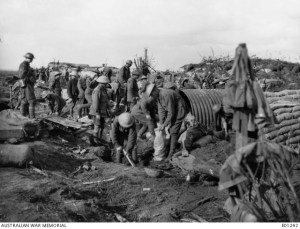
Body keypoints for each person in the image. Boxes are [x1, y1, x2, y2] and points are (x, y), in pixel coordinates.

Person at [148, 83, 188, 162]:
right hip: (174, 112)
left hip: (179, 111)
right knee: (170, 130)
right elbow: (161, 111)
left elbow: (171, 112)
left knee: (173, 131)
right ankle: (173, 145)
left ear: (155, 90)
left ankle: (171, 154)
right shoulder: (158, 96)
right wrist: (161, 124)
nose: (152, 96)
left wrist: (164, 125)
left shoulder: (166, 94)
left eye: (152, 94)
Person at [89, 75, 111, 143]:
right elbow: (95, 102)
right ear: (101, 83)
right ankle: (95, 141)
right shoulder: (97, 90)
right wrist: (97, 113)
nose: (106, 85)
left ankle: (99, 139)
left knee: (102, 126)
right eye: (105, 83)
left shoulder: (103, 89)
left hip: (103, 111)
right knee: (97, 127)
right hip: (96, 112)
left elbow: (106, 100)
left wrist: (109, 108)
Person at [18, 52, 36, 118]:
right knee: (31, 101)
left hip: (25, 84)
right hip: (27, 84)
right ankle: (32, 117)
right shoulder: (24, 65)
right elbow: (21, 75)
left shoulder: (26, 64)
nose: (32, 60)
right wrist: (30, 78)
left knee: (24, 101)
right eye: (31, 59)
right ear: (29, 58)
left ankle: (22, 116)